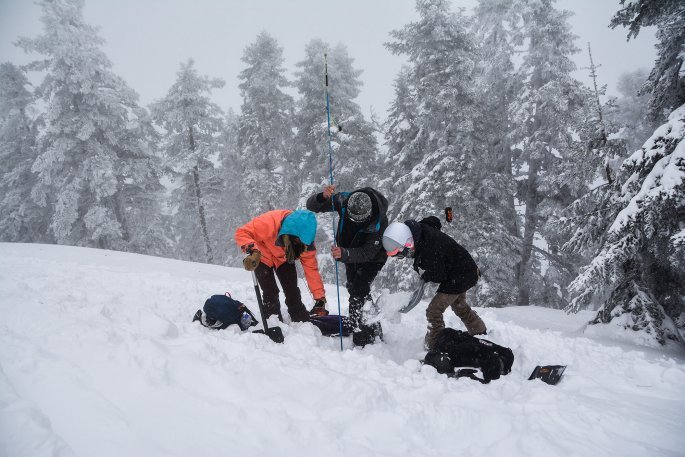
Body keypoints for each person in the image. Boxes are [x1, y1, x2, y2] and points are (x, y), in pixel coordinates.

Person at [382, 218, 486, 350]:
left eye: (400, 254)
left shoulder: (430, 248)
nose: (403, 257)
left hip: (461, 275)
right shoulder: (418, 232)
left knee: (434, 310)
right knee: (459, 304)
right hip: (464, 269)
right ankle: (479, 331)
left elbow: (439, 275)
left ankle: (434, 345)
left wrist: (426, 275)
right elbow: (434, 221)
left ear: (406, 243)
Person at [306, 185, 388, 344]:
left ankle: (362, 335)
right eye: (351, 218)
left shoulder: (379, 222)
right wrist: (322, 197)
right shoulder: (344, 200)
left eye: (359, 220)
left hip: (373, 257)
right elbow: (312, 206)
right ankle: (372, 323)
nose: (353, 222)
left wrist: (345, 254)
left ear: (368, 214)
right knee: (353, 287)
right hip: (348, 251)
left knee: (359, 290)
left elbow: (367, 253)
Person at [235, 209, 326, 323]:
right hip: (261, 256)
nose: (300, 244)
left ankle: (299, 317)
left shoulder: (306, 245)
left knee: (292, 289)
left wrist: (320, 299)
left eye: (301, 243)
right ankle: (272, 319)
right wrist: (253, 250)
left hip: (284, 258)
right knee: (270, 291)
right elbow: (242, 232)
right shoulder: (269, 222)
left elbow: (311, 270)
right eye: (296, 242)